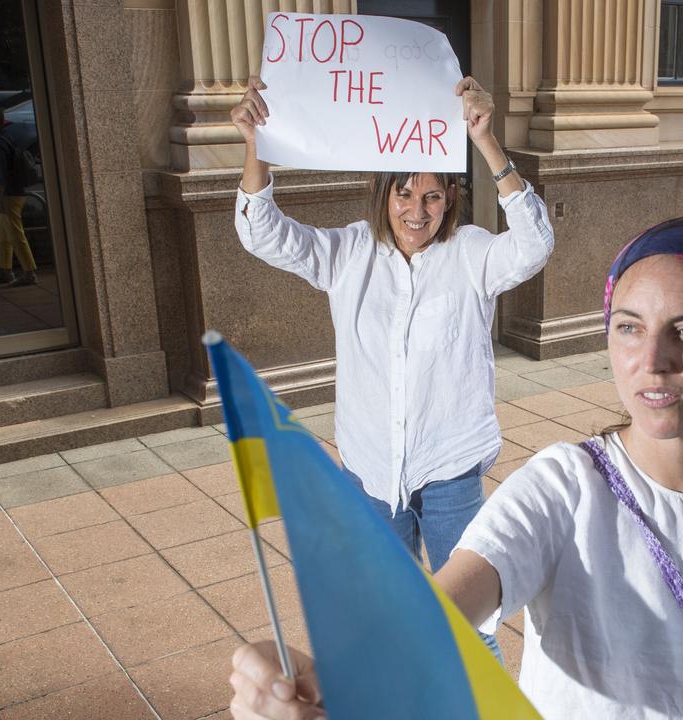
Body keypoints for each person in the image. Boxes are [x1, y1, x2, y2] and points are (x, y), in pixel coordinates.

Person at [227, 214, 683, 720]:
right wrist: (338, 680)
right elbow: (440, 610)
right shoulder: (566, 487)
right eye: (628, 327)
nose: (653, 359)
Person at [230, 75, 554, 659]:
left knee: (470, 624)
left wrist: (487, 141)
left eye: (432, 196)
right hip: (372, 470)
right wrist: (256, 143)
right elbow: (261, 233)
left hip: (450, 467)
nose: (416, 210)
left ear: (450, 198)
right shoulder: (347, 253)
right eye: (403, 193)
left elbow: (533, 244)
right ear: (383, 194)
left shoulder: (473, 254)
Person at [0, 104, 37, 287]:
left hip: (8, 195)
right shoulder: (5, 137)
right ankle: (6, 271)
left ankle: (28, 272)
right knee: (2, 233)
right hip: (14, 192)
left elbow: (0, 174)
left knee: (14, 233)